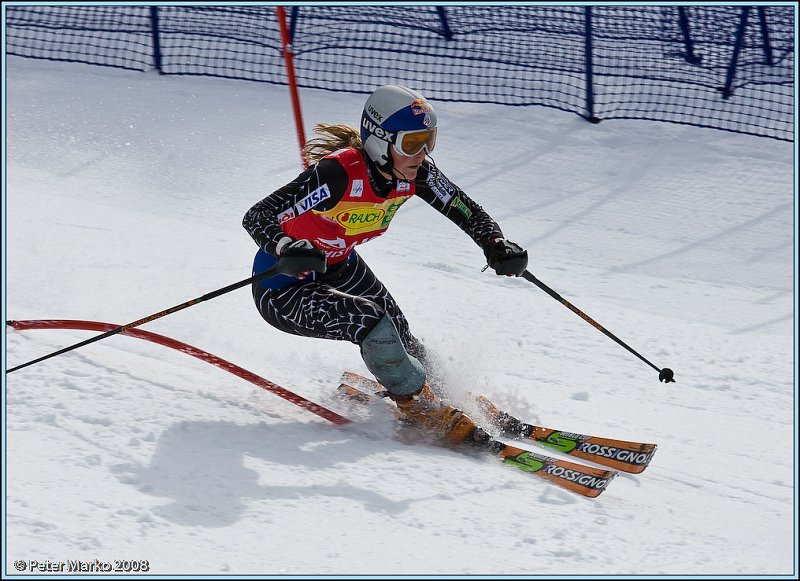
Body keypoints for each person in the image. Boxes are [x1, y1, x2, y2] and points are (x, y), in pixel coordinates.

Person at [243, 85, 528, 445]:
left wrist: (495, 244)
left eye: (429, 141)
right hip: (284, 286)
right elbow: (258, 214)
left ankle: (444, 393)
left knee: (399, 333)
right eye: (412, 144)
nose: (422, 154)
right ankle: (419, 405)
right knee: (371, 321)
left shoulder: (417, 173)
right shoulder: (338, 174)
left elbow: (463, 208)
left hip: (339, 264)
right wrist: (285, 245)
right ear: (379, 141)